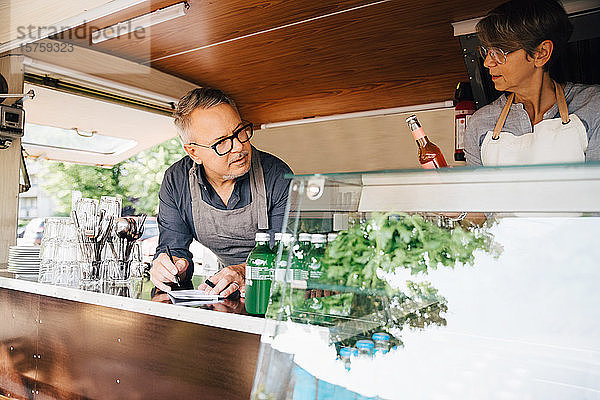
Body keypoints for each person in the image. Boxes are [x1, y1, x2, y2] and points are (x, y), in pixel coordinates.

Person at [150, 88, 292, 296]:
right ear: (193, 152)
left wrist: (242, 271)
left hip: (274, 290)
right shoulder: (177, 181)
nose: (239, 147)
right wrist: (171, 267)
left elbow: (284, 255)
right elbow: (173, 247)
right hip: (227, 289)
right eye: (221, 142)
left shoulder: (276, 176)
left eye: (240, 131)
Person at [464, 0, 600, 166]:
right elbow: (478, 191)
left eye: (499, 52)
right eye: (487, 51)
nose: (487, 62)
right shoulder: (479, 123)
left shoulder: (593, 106)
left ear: (541, 53)